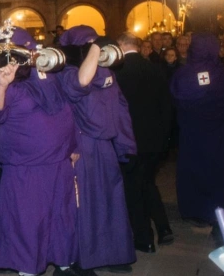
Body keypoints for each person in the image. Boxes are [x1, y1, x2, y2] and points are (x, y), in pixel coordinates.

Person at [0, 27, 102, 276]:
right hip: (26, 168)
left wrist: (73, 145)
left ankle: (64, 264)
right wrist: (2, 85)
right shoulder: (5, 83)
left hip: (59, 162)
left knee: (62, 218)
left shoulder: (48, 75)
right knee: (27, 223)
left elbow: (67, 108)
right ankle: (27, 270)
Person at [59, 26, 136, 273]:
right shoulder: (68, 73)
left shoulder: (107, 72)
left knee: (111, 202)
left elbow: (120, 108)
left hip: (105, 147)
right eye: (89, 45)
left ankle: (114, 253)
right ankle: (83, 259)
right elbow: (71, 101)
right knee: (85, 204)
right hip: (82, 147)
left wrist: (126, 144)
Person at [170, 33, 224, 239]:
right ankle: (215, 212)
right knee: (217, 175)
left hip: (192, 135)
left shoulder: (183, 74)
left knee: (192, 171)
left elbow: (174, 100)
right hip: (220, 136)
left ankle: (193, 210)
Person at [114, 32, 173, 253]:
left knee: (133, 188)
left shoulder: (118, 72)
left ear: (121, 45)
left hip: (129, 139)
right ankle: (164, 228)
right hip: (153, 139)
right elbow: (166, 106)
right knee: (147, 182)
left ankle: (144, 238)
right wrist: (165, 139)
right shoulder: (155, 69)